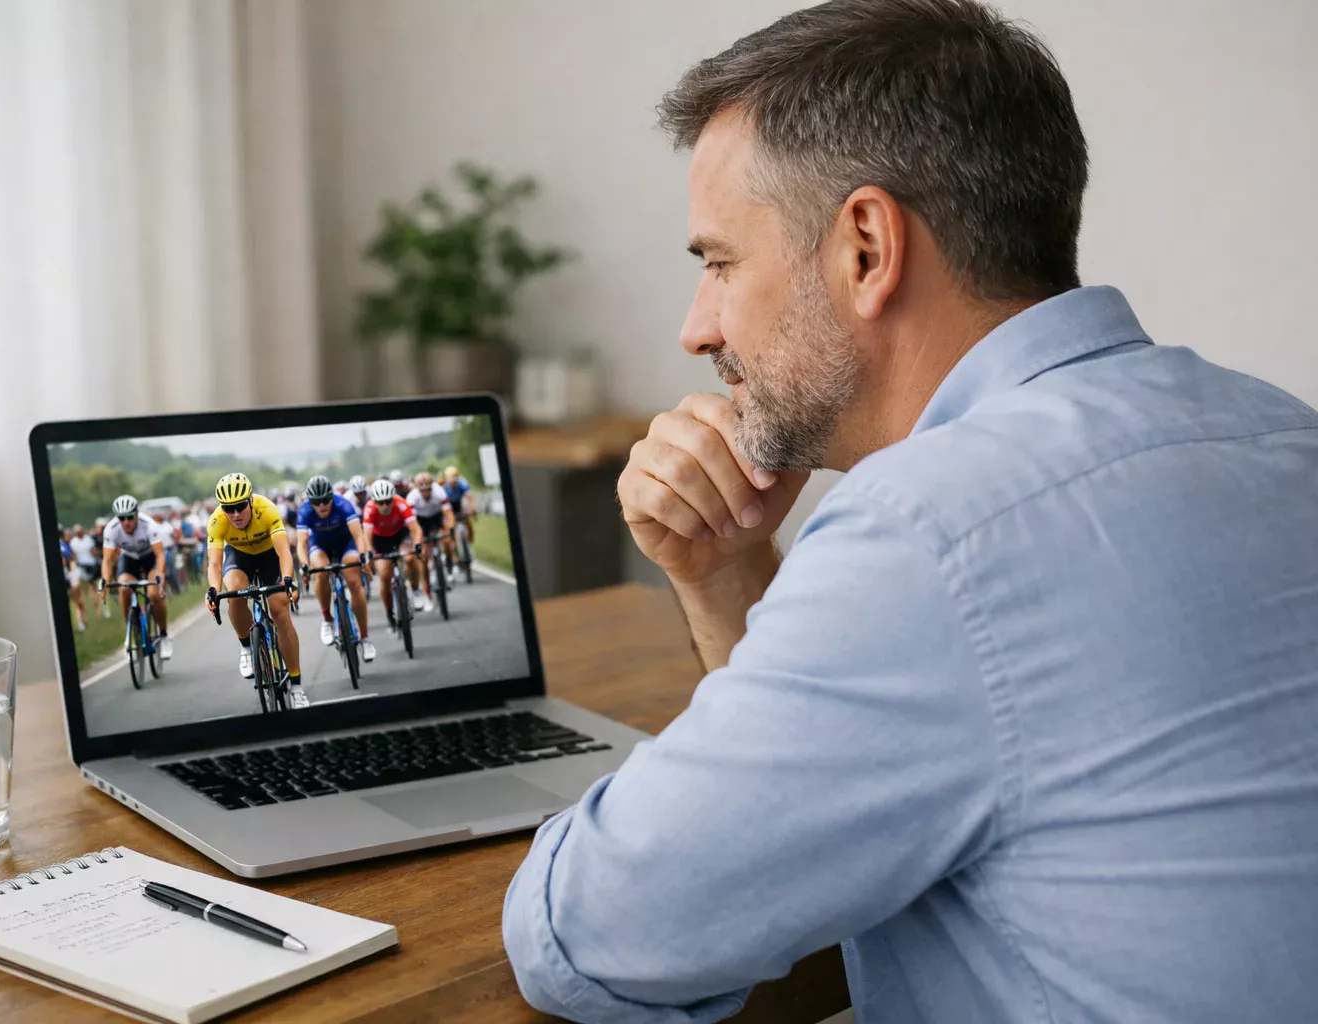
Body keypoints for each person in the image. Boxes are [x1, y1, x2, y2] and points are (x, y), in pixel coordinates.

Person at [502, 3, 1318, 1023]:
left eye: (719, 263)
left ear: (866, 248)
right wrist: (725, 571)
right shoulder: (1281, 433)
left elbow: (588, 934)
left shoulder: (932, 532)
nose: (696, 327)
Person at [203, 472, 307, 708]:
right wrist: (213, 590)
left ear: (250, 501)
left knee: (280, 611)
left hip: (270, 556)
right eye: (229, 509)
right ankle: (247, 648)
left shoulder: (267, 510)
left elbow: (283, 552)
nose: (235, 514)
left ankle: (296, 686)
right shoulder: (216, 521)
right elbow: (215, 564)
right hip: (239, 557)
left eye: (240, 506)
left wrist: (288, 579)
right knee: (234, 593)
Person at [294, 475, 374, 662]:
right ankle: (327, 619)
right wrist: (304, 565)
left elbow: (358, 535)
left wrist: (364, 557)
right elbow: (302, 543)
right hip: (320, 546)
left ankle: (365, 638)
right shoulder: (304, 510)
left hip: (345, 544)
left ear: (332, 497)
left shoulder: (343, 505)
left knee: (354, 582)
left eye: (325, 500)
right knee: (321, 571)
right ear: (310, 501)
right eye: (316, 502)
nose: (321, 505)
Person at [99, 494, 172, 660]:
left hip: (149, 558)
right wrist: (104, 582)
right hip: (129, 559)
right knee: (124, 589)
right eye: (122, 518)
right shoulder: (111, 529)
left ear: (137, 515)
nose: (126, 522)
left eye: (130, 517)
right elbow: (107, 560)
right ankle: (132, 631)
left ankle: (164, 635)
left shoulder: (149, 525)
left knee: (154, 594)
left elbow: (160, 555)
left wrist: (160, 577)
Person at [362, 478, 425, 634]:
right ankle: (389, 613)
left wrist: (417, 545)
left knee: (410, 558)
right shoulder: (369, 508)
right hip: (380, 540)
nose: (384, 506)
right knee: (384, 574)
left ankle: (416, 589)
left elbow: (416, 529)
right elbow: (366, 537)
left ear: (393, 498)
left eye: (388, 501)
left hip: (399, 535)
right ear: (374, 501)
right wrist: (369, 553)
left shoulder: (401, 503)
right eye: (380, 502)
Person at [405, 471, 455, 610]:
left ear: (432, 487)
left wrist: (451, 528)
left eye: (428, 489)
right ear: (418, 489)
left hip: (436, 518)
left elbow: (448, 514)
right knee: (424, 558)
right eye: (423, 490)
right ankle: (427, 595)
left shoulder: (439, 492)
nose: (426, 493)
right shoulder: (412, 497)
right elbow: (412, 524)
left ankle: (448, 567)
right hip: (421, 522)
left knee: (447, 541)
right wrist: (418, 540)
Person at [440, 465, 475, 576]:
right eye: (451, 482)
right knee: (450, 530)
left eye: (455, 481)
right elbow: (442, 507)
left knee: (468, 524)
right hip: (449, 508)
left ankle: (469, 545)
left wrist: (472, 509)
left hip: (459, 506)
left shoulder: (462, 483)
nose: (453, 484)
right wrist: (447, 519)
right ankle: (454, 555)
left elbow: (469, 497)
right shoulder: (443, 488)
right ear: (447, 480)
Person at [69, 522, 102, 619]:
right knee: (83, 591)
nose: (79, 533)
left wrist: (97, 556)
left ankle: (97, 612)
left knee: (92, 589)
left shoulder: (88, 539)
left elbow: (93, 551)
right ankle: (85, 615)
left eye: (80, 531)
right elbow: (73, 556)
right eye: (77, 532)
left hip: (91, 566)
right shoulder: (73, 542)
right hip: (81, 567)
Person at [59, 527, 86, 632]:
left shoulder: (67, 545)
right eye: (68, 535)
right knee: (75, 600)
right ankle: (78, 622)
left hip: (70, 575)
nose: (70, 536)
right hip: (68, 575)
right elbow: (67, 560)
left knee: (77, 600)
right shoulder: (62, 546)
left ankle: (80, 621)